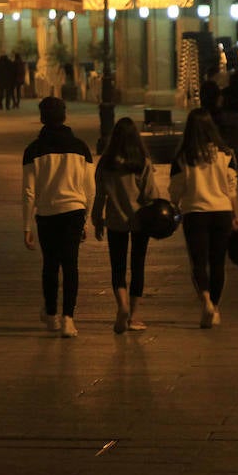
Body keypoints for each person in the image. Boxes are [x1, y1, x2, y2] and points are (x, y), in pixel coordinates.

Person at [22, 96, 94, 338]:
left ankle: (51, 314)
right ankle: (68, 319)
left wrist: (26, 226)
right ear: (65, 116)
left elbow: (29, 192)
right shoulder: (81, 148)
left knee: (50, 264)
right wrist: (87, 217)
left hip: (48, 213)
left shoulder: (33, 150)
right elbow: (90, 188)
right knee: (71, 264)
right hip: (74, 211)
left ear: (42, 118)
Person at [168, 108, 238, 329]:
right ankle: (216, 308)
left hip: (195, 213)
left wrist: (174, 206)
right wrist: (236, 215)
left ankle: (206, 301)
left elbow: (175, 191)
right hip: (222, 212)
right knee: (218, 262)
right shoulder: (226, 155)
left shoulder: (183, 158)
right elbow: (232, 189)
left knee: (198, 262)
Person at [92, 117, 159, 333]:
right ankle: (134, 315)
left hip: (115, 221)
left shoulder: (105, 163)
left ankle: (121, 306)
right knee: (137, 266)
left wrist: (97, 219)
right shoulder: (142, 162)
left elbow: (100, 195)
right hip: (140, 221)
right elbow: (151, 195)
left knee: (118, 267)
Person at [217, 71, 238, 152]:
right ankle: (237, 159)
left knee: (226, 139)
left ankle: (226, 158)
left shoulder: (225, 91)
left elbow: (219, 103)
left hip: (225, 116)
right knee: (237, 140)